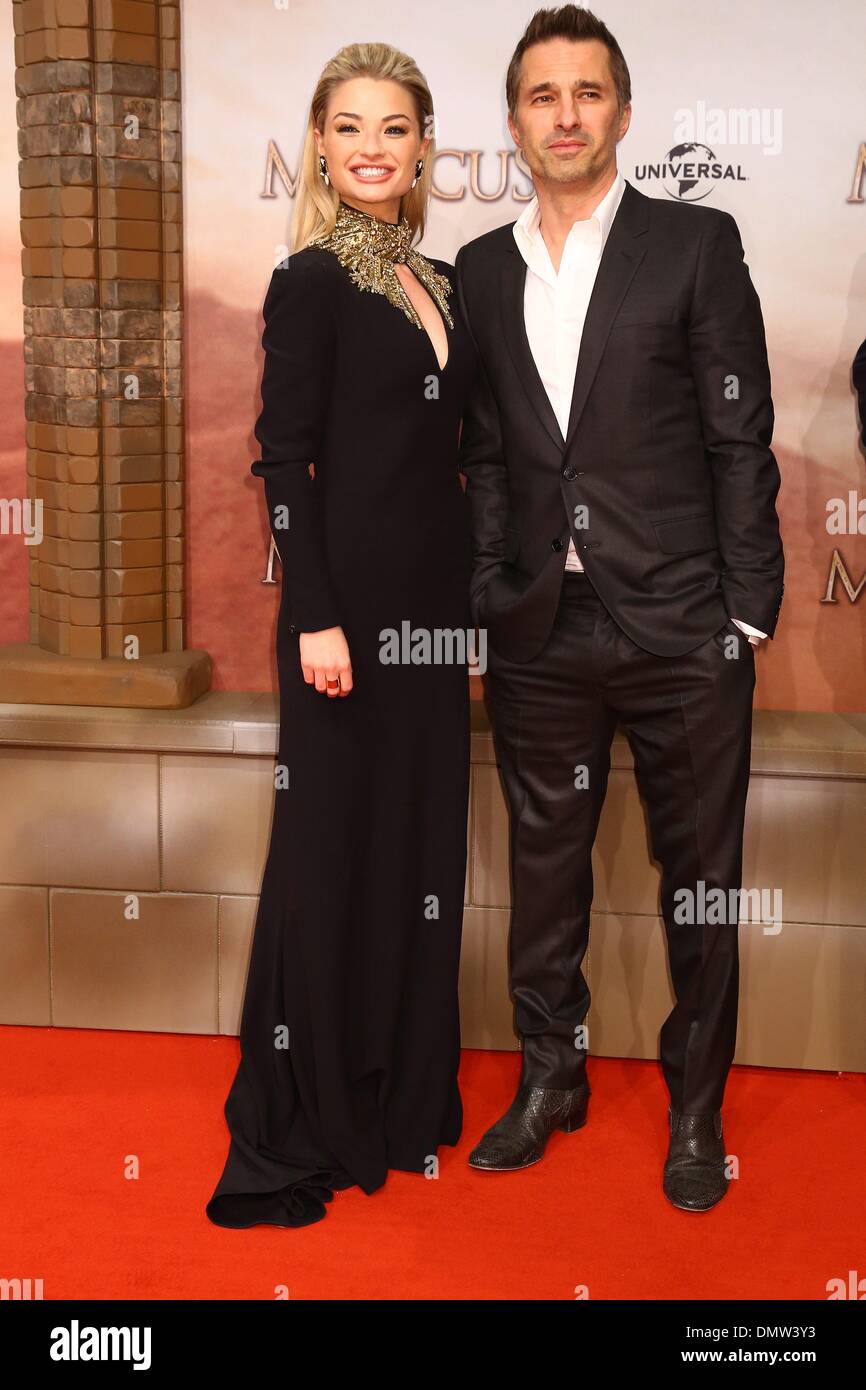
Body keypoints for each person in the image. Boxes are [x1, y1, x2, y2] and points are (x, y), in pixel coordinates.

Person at [455, 5, 784, 1211]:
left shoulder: (694, 245)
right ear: (513, 122)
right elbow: (487, 453)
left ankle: (693, 1110)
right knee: (543, 880)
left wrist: (741, 615)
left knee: (699, 885)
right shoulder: (482, 270)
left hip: (683, 632)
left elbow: (737, 439)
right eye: (542, 96)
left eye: (586, 93)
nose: (564, 115)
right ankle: (552, 1077)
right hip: (542, 628)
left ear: (623, 113)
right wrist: (493, 591)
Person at [206, 42, 478, 1229]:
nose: (373, 146)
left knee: (415, 852)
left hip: (427, 623)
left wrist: (463, 626)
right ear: (320, 143)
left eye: (396, 127)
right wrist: (313, 612)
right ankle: (307, 1102)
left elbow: (454, 473)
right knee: (330, 856)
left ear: (423, 147)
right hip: (340, 625)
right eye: (350, 126)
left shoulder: (443, 281)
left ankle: (397, 1088)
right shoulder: (311, 278)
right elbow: (282, 458)